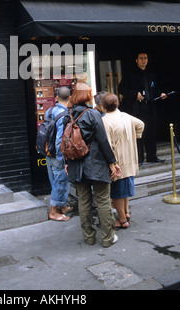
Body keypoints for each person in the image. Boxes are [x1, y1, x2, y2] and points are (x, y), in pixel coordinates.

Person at [63, 82, 121, 248]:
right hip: (95, 163)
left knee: (84, 201)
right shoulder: (93, 114)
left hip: (76, 163)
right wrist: (112, 163)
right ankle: (108, 237)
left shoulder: (69, 115)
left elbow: (66, 141)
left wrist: (67, 162)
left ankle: (89, 237)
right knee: (103, 200)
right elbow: (103, 141)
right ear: (88, 96)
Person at [101, 93, 144, 229]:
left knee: (117, 193)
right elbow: (140, 124)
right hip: (130, 158)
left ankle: (122, 220)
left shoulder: (105, 120)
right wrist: (134, 137)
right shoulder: (125, 116)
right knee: (125, 188)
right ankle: (126, 212)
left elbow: (107, 144)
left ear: (103, 106)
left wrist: (111, 163)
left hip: (118, 161)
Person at [118, 52, 167, 164]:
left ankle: (152, 156)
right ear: (136, 60)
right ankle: (139, 158)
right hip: (137, 108)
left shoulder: (151, 74)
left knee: (151, 132)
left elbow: (154, 89)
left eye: (145, 58)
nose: (143, 60)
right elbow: (121, 89)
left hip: (150, 106)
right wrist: (135, 94)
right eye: (141, 58)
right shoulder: (130, 74)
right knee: (139, 134)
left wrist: (161, 94)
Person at [45, 86, 73, 222]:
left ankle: (62, 206)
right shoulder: (64, 115)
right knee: (60, 181)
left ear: (57, 97)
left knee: (54, 181)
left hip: (48, 152)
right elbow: (59, 139)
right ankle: (53, 212)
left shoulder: (49, 111)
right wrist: (61, 157)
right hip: (57, 154)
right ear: (70, 98)